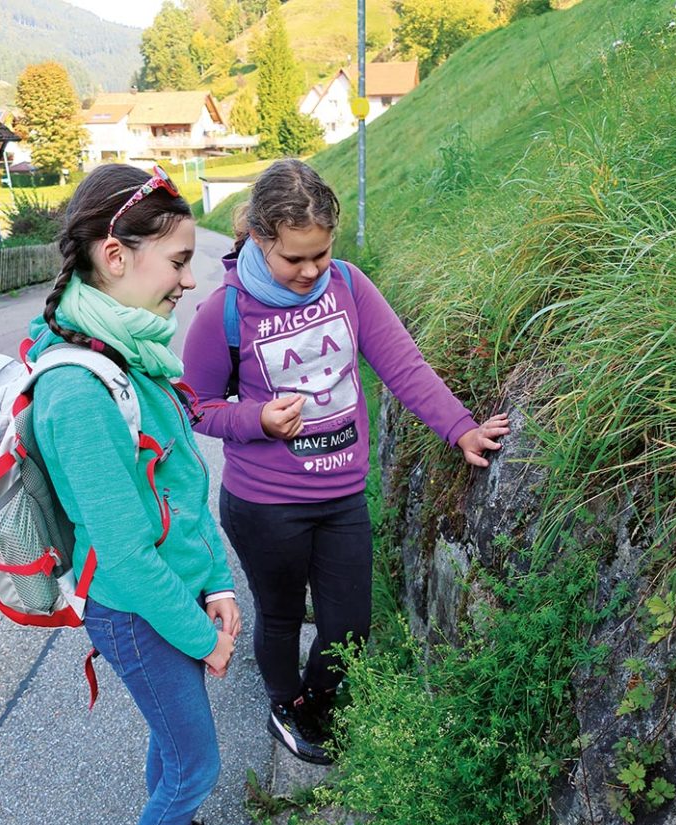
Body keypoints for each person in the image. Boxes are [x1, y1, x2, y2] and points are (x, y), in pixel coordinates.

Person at [182, 158, 509, 766]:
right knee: (279, 618)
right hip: (265, 507)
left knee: (348, 628)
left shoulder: (349, 286)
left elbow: (402, 365)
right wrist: (255, 419)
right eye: (294, 259)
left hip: (341, 498)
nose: (309, 272)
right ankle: (287, 707)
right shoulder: (223, 313)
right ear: (259, 238)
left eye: (321, 255)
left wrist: (459, 428)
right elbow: (194, 408)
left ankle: (317, 699)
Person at [29, 164, 260, 825]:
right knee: (195, 758)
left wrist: (217, 585)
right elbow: (124, 555)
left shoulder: (125, 348)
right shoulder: (79, 389)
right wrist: (204, 633)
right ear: (114, 255)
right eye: (177, 260)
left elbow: (179, 494)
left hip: (165, 596)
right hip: (132, 609)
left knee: (177, 741)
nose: (188, 279)